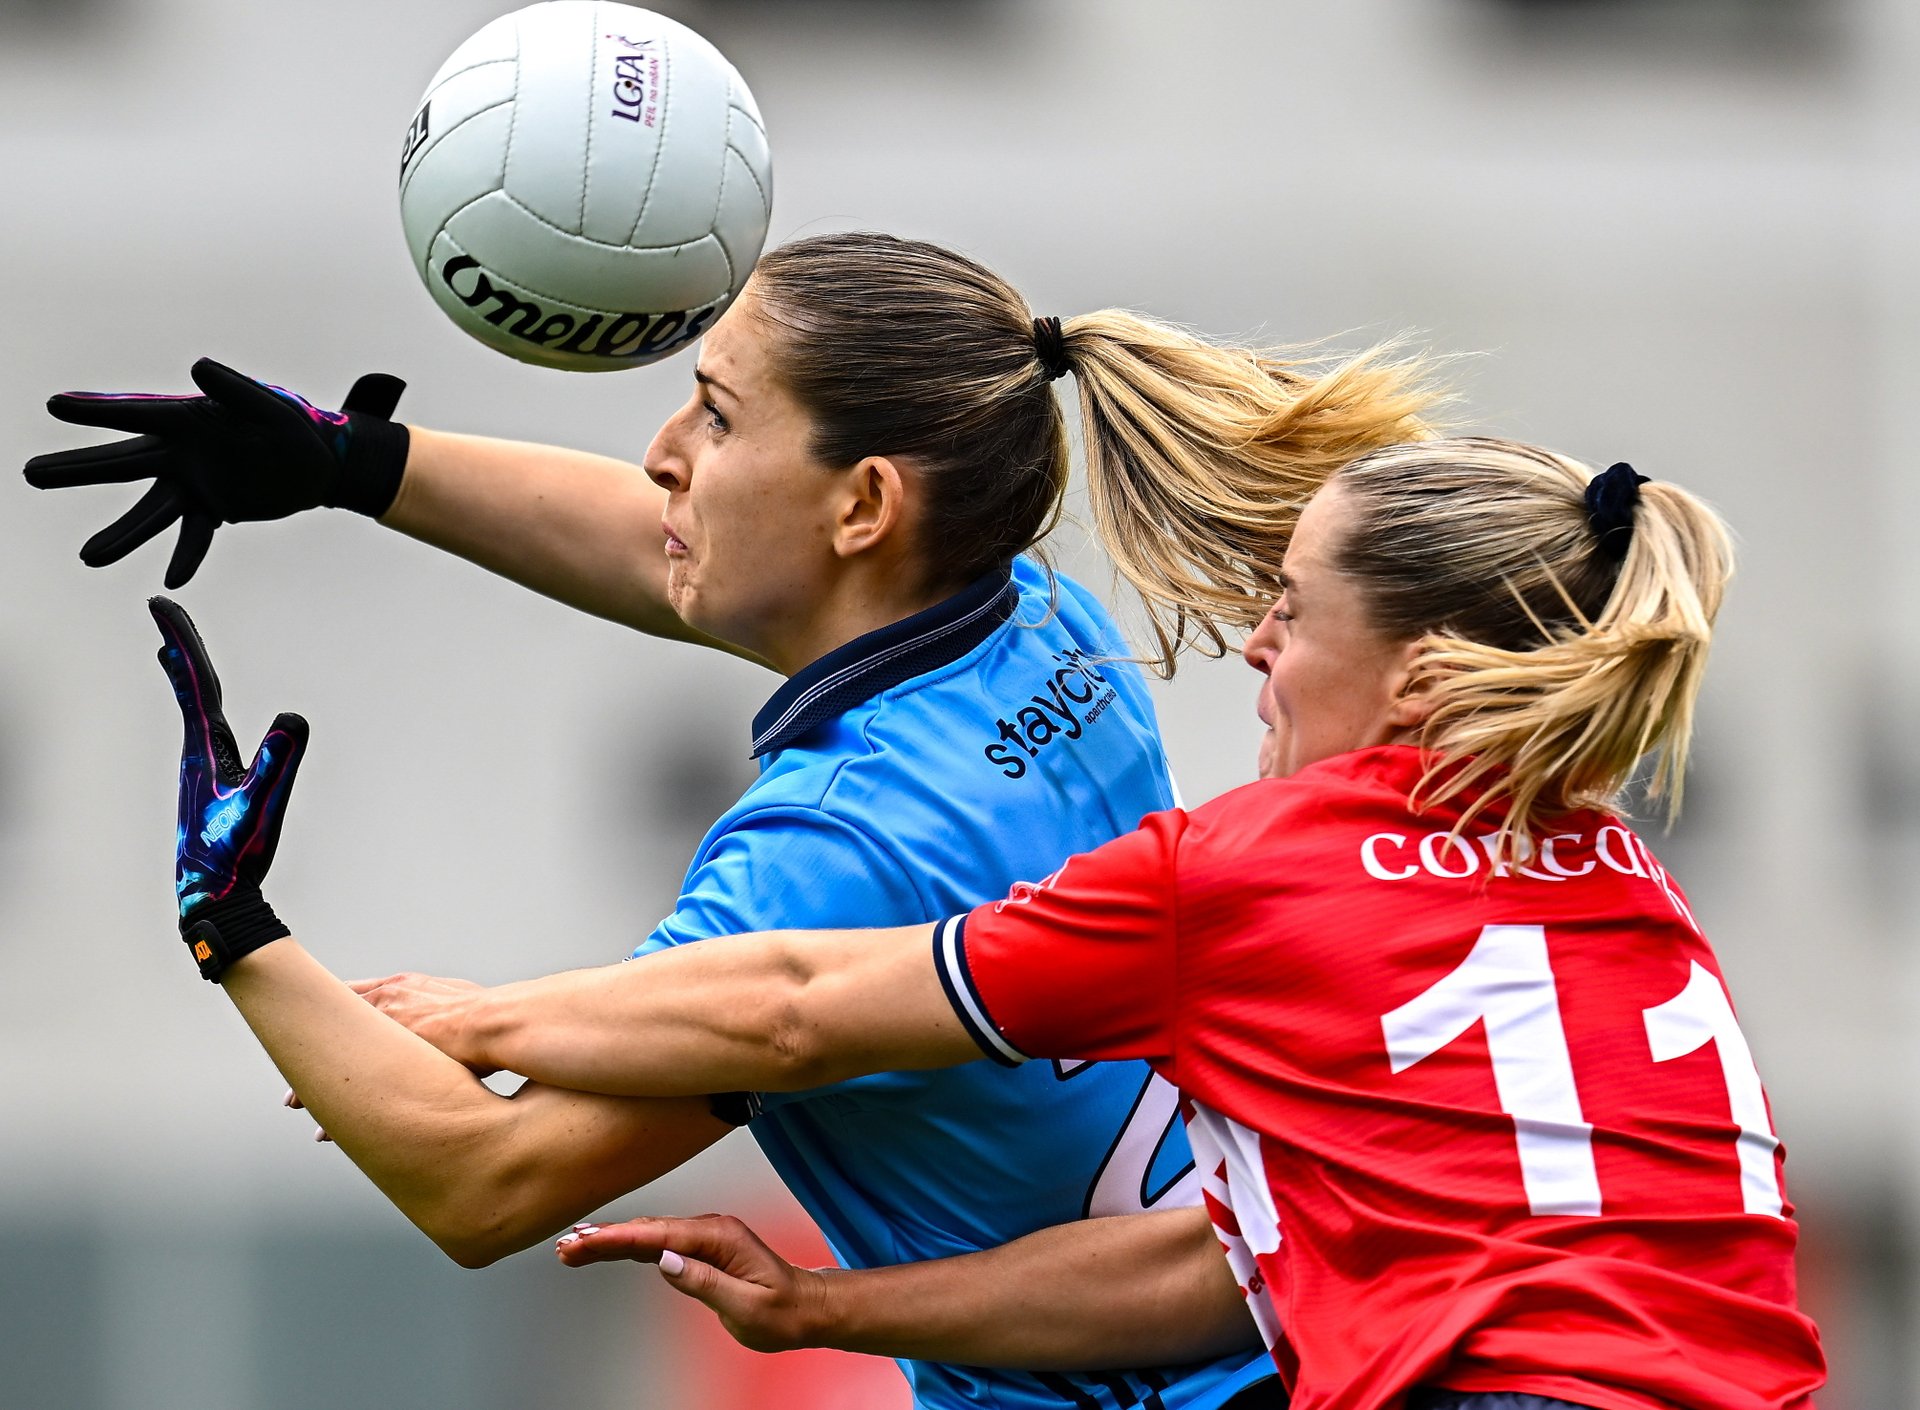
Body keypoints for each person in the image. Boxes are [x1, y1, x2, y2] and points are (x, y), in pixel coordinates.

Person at [39, 231, 1445, 1408]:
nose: (663, 454)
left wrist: (235, 926)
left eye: (715, 415)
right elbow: (679, 560)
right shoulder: (1037, 627)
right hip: (1280, 1345)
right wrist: (361, 462)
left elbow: (480, 1176)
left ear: (862, 506)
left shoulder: (828, 859)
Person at [343, 439, 1828, 1410]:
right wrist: (824, 1309)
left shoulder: (1254, 871)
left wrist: (479, 1017)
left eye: (1295, 613)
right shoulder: (1627, 880)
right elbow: (1217, 1269)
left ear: (1423, 684)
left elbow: (796, 1004)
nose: (1255, 641)